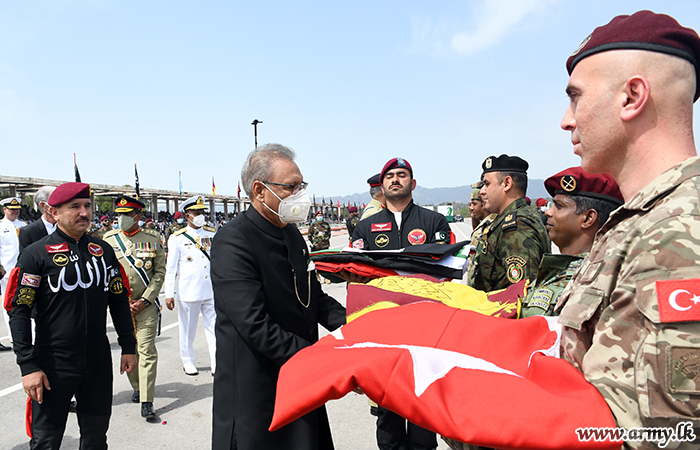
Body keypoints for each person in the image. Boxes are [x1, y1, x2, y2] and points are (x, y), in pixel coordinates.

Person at [555, 11, 700, 447]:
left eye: (576, 97)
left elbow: (646, 438)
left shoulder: (679, 233)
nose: (566, 120)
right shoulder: (638, 222)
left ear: (633, 96)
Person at [210, 143, 346, 450]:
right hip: (258, 387)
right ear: (259, 190)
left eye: (302, 186)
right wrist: (322, 359)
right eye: (291, 187)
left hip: (298, 375)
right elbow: (254, 324)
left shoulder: (290, 232)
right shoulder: (233, 240)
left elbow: (315, 297)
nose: (300, 195)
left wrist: (356, 326)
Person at [6, 182, 136, 449]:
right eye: (74, 207)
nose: (84, 213)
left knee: (96, 438)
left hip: (98, 362)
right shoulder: (35, 255)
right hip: (53, 363)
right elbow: (19, 312)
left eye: (87, 206)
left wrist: (128, 346)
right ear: (54, 212)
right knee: (46, 440)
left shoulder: (103, 251)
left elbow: (119, 301)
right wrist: (28, 365)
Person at [351, 157, 449, 450]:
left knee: (422, 402)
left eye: (402, 175)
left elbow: (445, 271)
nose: (396, 179)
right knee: (387, 406)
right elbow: (356, 277)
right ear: (382, 187)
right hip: (383, 327)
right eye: (390, 176)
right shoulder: (365, 228)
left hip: (424, 326)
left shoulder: (434, 222)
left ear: (413, 183)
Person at [520, 167, 623, 318]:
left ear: (588, 218)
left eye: (559, 206)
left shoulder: (594, 281)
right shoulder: (563, 271)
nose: (548, 212)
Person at [103, 195, 166, 421]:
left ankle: (147, 401)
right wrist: (119, 301)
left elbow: (159, 273)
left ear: (138, 216)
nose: (122, 219)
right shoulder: (109, 239)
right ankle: (138, 385)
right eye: (120, 215)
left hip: (146, 305)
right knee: (130, 349)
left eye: (127, 215)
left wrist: (146, 300)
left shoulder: (152, 237)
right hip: (122, 306)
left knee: (147, 350)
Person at [466, 155, 550, 292]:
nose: (481, 191)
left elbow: (521, 294)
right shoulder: (508, 220)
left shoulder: (516, 226)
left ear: (507, 184)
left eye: (487, 184)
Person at [164, 195, 217, 376]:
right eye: (196, 212)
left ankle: (216, 362)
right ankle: (188, 361)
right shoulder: (176, 238)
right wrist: (169, 293)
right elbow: (171, 269)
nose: (201, 215)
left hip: (210, 289)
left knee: (214, 328)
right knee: (188, 329)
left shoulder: (211, 234)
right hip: (188, 292)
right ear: (187, 215)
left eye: (202, 212)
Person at [1, 197, 27, 350]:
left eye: (17, 209)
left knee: (27, 300)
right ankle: (13, 334)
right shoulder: (0, 227)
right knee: (9, 303)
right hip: (8, 271)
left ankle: (30, 333)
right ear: (5, 209)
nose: (15, 212)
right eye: (11, 209)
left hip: (25, 269)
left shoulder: (24, 225)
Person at [19, 186, 56, 252]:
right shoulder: (28, 232)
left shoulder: (68, 228)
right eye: (55, 201)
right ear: (43, 205)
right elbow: (26, 259)